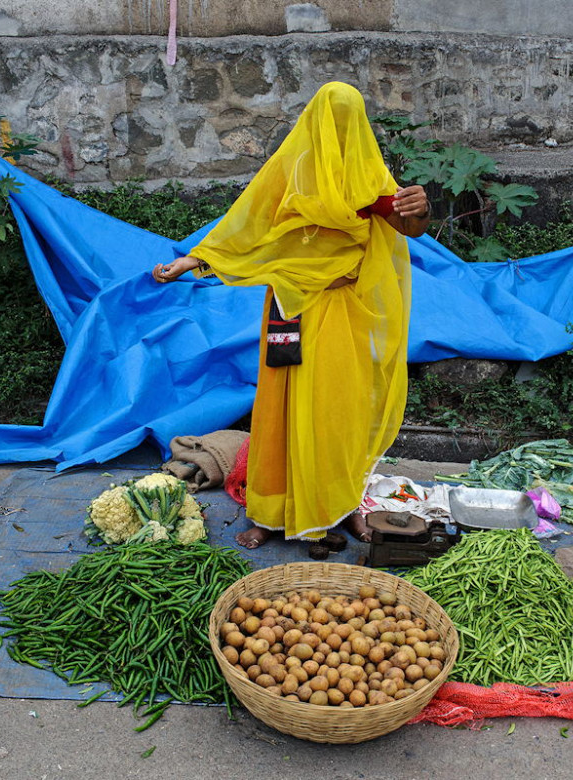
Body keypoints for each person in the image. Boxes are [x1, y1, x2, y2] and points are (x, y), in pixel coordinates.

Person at [152, 82, 430, 556]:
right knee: (279, 409)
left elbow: (406, 224)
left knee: (337, 409)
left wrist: (420, 209)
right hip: (291, 309)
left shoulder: (369, 176)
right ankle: (269, 513)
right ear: (315, 123)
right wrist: (192, 261)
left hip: (343, 311)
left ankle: (339, 507)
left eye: (350, 121)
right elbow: (246, 224)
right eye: (332, 120)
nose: (340, 131)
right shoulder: (291, 171)